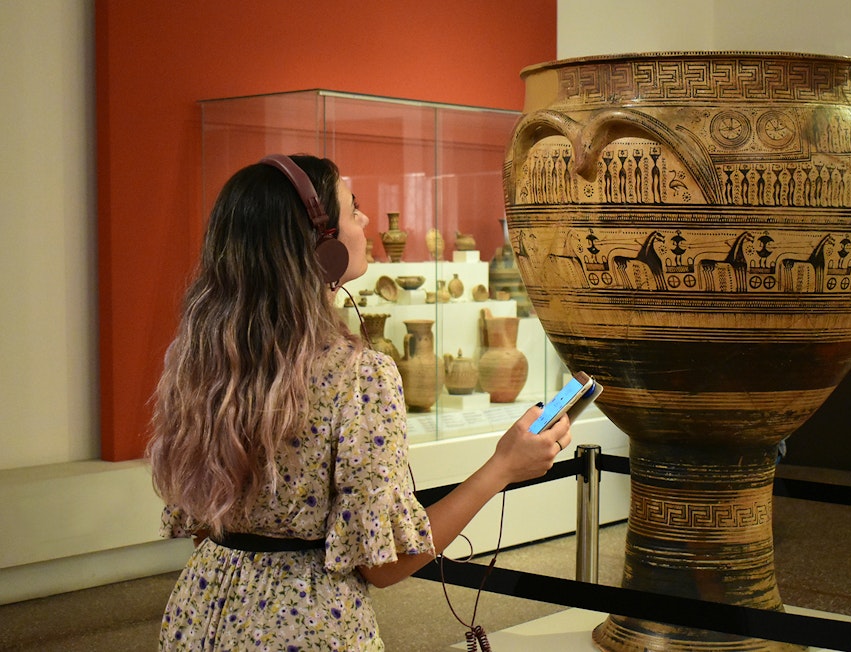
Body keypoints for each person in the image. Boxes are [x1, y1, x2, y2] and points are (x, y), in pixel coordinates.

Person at [146, 154, 571, 651]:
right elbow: (384, 566)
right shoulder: (361, 376)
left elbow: (204, 524)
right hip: (304, 626)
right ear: (322, 245)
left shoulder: (199, 354)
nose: (367, 221)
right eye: (354, 209)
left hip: (202, 610)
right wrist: (502, 467)